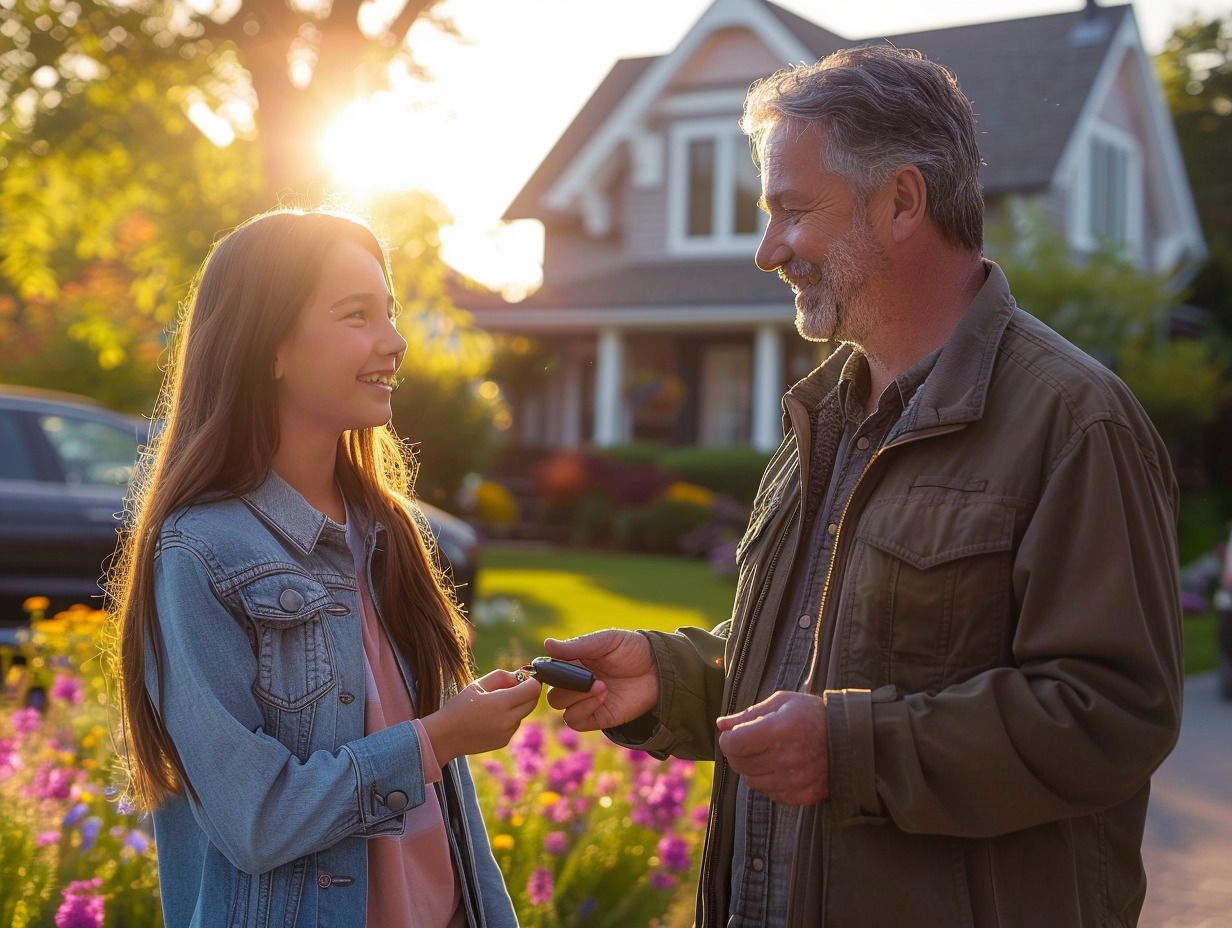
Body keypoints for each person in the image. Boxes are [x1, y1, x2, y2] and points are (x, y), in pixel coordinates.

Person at [545, 45, 1183, 928]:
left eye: (793, 212)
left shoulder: (1075, 422)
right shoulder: (826, 415)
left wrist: (854, 751)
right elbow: (823, 652)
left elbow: (1111, 713)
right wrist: (673, 677)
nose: (768, 251)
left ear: (902, 202)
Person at [105, 208, 541, 928]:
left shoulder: (389, 528)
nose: (395, 342)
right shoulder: (200, 555)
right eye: (356, 316)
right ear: (267, 346)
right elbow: (256, 821)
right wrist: (439, 739)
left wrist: (452, 727)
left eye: (390, 314)